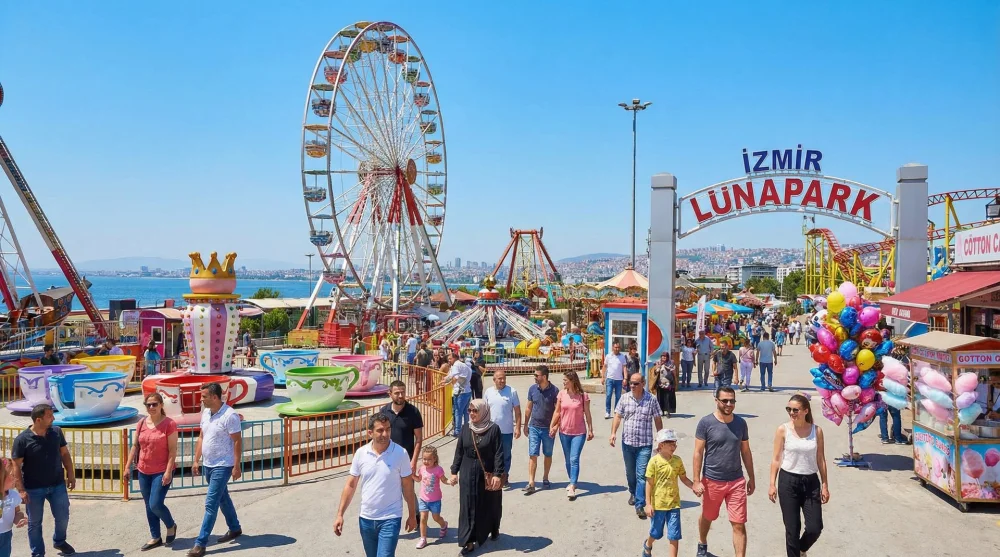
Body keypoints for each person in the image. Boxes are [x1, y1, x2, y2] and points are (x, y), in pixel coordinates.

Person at [334, 413, 418, 557]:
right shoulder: (361, 453)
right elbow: (351, 485)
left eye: (388, 429)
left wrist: (412, 515)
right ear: (370, 433)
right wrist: (340, 515)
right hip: (366, 518)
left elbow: (407, 486)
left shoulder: (400, 453)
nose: (385, 434)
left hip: (391, 517)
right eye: (380, 430)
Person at [692, 386, 755, 557]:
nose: (729, 404)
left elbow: (745, 451)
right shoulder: (706, 423)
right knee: (708, 516)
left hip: (736, 481)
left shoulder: (740, 423)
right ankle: (702, 542)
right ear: (716, 401)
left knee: (739, 524)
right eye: (725, 400)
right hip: (712, 480)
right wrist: (696, 481)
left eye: (732, 400)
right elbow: (698, 452)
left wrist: (752, 477)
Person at [11, 404, 76, 557]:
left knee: (63, 516)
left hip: (57, 485)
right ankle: (38, 553)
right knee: (34, 523)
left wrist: (71, 474)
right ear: (38, 420)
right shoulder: (22, 440)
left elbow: (64, 454)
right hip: (33, 489)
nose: (53, 418)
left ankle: (59, 541)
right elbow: (16, 465)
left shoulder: (56, 432)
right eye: (49, 416)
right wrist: (21, 490)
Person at [768, 394, 829, 557]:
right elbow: (776, 459)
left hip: (811, 482)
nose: (791, 413)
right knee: (792, 529)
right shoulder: (783, 430)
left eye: (795, 410)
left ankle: (801, 549)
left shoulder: (817, 431)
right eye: (789, 409)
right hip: (788, 482)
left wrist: (825, 485)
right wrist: (772, 484)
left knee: (815, 527)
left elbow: (821, 459)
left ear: (805, 411)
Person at [189, 383, 243, 557]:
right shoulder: (205, 413)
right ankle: (235, 528)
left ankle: (200, 543)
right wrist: (196, 460)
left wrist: (236, 465)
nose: (201, 399)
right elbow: (201, 437)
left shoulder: (230, 415)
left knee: (211, 503)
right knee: (222, 498)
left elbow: (237, 441)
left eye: (204, 396)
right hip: (208, 463)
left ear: (214, 397)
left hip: (223, 465)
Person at [126, 392, 178, 551]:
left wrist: (168, 472)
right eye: (148, 405)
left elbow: (172, 450)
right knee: (148, 505)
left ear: (161, 405)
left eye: (154, 404)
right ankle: (155, 536)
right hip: (143, 470)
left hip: (161, 470)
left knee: (155, 504)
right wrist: (127, 466)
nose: (151, 407)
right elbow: (135, 446)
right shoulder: (141, 422)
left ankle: (171, 525)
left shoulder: (169, 424)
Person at [450, 400, 504, 554]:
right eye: (470, 410)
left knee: (489, 503)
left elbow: (499, 453)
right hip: (467, 472)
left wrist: (497, 474)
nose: (472, 414)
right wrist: (454, 471)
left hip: (486, 473)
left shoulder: (494, 429)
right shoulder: (466, 428)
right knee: (467, 506)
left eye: (475, 411)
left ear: (484, 411)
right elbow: (459, 451)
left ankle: (493, 527)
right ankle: (468, 541)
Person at [609, 372, 663, 519]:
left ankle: (640, 504)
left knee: (642, 474)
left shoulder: (651, 399)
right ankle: (633, 492)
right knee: (630, 472)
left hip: (644, 444)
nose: (632, 386)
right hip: (627, 442)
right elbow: (618, 416)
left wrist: (660, 438)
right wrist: (613, 433)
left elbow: (657, 418)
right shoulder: (625, 398)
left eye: (635, 383)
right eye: (631, 383)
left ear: (643, 384)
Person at [643, 429, 695, 557]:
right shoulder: (654, 462)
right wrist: (648, 504)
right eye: (671, 444)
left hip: (674, 504)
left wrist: (694, 487)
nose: (674, 447)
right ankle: (648, 544)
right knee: (656, 533)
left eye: (675, 444)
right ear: (661, 445)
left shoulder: (677, 461)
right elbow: (649, 484)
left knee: (674, 535)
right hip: (658, 505)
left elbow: (683, 478)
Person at [548, 371, 594, 500]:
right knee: (568, 459)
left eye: (565, 380)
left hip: (579, 432)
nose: (563, 382)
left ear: (572, 381)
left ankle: (573, 485)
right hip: (564, 432)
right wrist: (552, 426)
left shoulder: (583, 396)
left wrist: (590, 429)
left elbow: (587, 413)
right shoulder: (562, 394)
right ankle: (572, 480)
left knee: (574, 459)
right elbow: (557, 412)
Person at [523, 365, 558, 494]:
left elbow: (558, 411)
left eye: (536, 375)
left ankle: (545, 477)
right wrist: (525, 424)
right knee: (533, 453)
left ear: (544, 376)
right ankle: (531, 482)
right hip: (534, 427)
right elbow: (528, 408)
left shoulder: (555, 391)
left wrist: (555, 426)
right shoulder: (532, 389)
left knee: (548, 454)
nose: (534, 377)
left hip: (548, 429)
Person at [483, 370, 521, 488]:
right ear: (494, 380)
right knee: (490, 454)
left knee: (506, 455)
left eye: (504, 378)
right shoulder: (488, 392)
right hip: (490, 430)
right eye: (500, 378)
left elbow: (517, 411)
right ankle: (492, 476)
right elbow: (484, 411)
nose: (502, 380)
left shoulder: (512, 391)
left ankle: (504, 476)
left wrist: (518, 427)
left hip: (506, 430)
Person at [413, 447, 452, 549]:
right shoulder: (422, 469)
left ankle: (444, 525)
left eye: (429, 459)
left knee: (436, 518)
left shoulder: (438, 469)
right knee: (423, 518)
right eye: (424, 459)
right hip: (423, 499)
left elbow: (444, 480)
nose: (426, 461)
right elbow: (418, 479)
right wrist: (412, 475)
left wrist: (450, 482)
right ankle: (423, 538)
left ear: (435, 459)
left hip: (435, 500)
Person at [381, 380, 424, 473]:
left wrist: (414, 461)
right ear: (390, 394)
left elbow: (419, 439)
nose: (400, 396)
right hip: (387, 460)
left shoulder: (413, 412)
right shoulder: (384, 411)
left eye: (403, 392)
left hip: (406, 460)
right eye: (397, 393)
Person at [0, 457, 27, 557]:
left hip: (6, 535)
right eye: (11, 475)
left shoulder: (13, 495)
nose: (15, 479)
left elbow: (17, 512)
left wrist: (20, 519)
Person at [440, 352, 472, 437]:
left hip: (460, 392)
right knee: (465, 412)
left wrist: (450, 382)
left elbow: (456, 377)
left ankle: (457, 431)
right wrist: (445, 380)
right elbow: (452, 376)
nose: (449, 360)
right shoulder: (463, 365)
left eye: (450, 359)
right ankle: (466, 430)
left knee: (458, 412)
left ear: (455, 358)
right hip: (467, 391)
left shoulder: (456, 365)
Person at [601, 341, 627, 419]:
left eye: (618, 347)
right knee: (608, 395)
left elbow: (624, 368)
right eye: (615, 347)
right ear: (613, 347)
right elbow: (604, 366)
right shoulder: (608, 356)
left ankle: (617, 411)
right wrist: (602, 377)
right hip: (610, 379)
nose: (617, 349)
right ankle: (607, 412)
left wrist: (625, 378)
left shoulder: (622, 357)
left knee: (618, 396)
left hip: (619, 380)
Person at [648, 353, 676, 417]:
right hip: (660, 383)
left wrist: (667, 368)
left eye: (665, 357)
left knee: (668, 398)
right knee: (660, 398)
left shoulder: (671, 363)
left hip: (668, 384)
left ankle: (668, 412)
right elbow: (654, 371)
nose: (664, 358)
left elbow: (673, 371)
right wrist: (658, 367)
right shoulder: (658, 363)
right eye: (663, 357)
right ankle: (661, 411)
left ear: (667, 357)